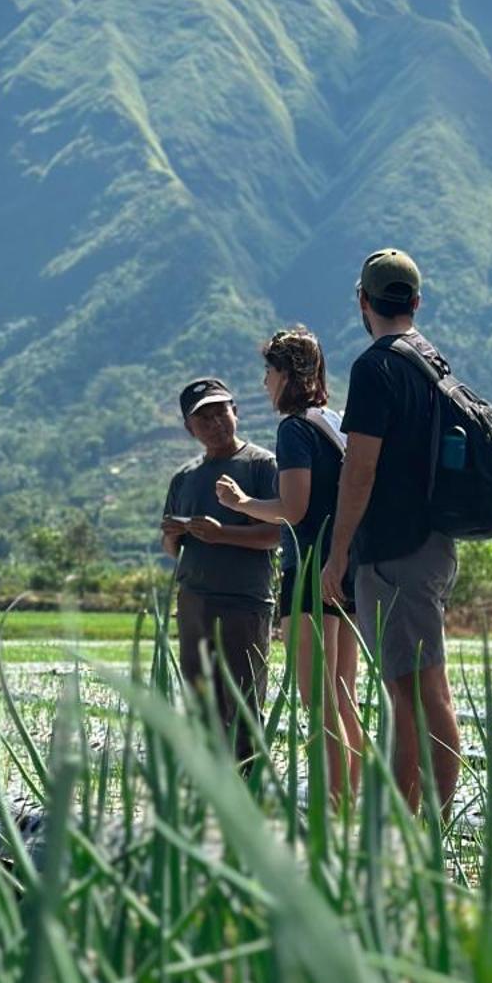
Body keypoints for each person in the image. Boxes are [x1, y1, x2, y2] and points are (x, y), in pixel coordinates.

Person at [322, 250, 462, 816]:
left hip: (394, 548)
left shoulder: (376, 367)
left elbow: (360, 469)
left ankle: (416, 819)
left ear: (363, 301)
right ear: (416, 301)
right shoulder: (434, 362)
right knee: (421, 686)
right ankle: (423, 817)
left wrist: (337, 557)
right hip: (432, 543)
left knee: (412, 692)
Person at [215, 327, 363, 806]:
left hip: (308, 572)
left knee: (316, 700)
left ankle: (333, 807)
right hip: (344, 569)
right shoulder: (333, 421)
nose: (264, 383)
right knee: (345, 697)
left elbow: (293, 508)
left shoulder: (295, 430)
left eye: (269, 372)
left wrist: (243, 502)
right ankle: (352, 802)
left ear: (286, 375)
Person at [161, 378, 282, 769]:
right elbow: (173, 550)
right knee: (202, 708)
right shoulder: (183, 478)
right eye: (204, 418)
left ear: (236, 411)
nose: (215, 423)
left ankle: (249, 799)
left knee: (244, 707)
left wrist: (222, 533)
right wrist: (173, 535)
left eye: (221, 412)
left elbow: (275, 535)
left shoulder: (261, 465)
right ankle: (209, 804)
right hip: (194, 600)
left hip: (243, 602)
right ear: (189, 428)